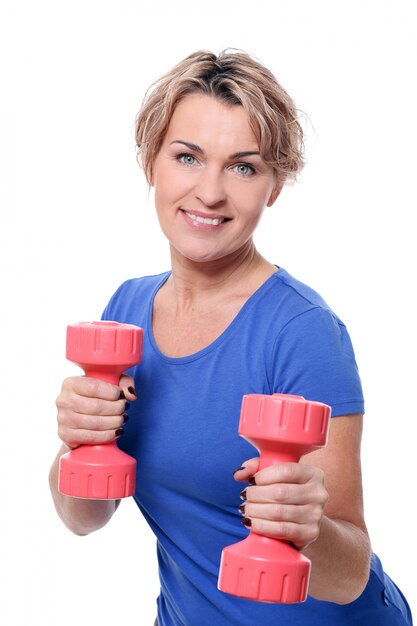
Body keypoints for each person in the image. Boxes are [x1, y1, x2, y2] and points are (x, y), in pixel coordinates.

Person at [49, 49, 413, 626]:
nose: (210, 192)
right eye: (188, 157)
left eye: (243, 166)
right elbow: (83, 517)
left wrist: (308, 526)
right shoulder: (126, 310)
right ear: (152, 163)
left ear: (274, 186)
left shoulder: (301, 331)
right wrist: (75, 442)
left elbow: (348, 578)